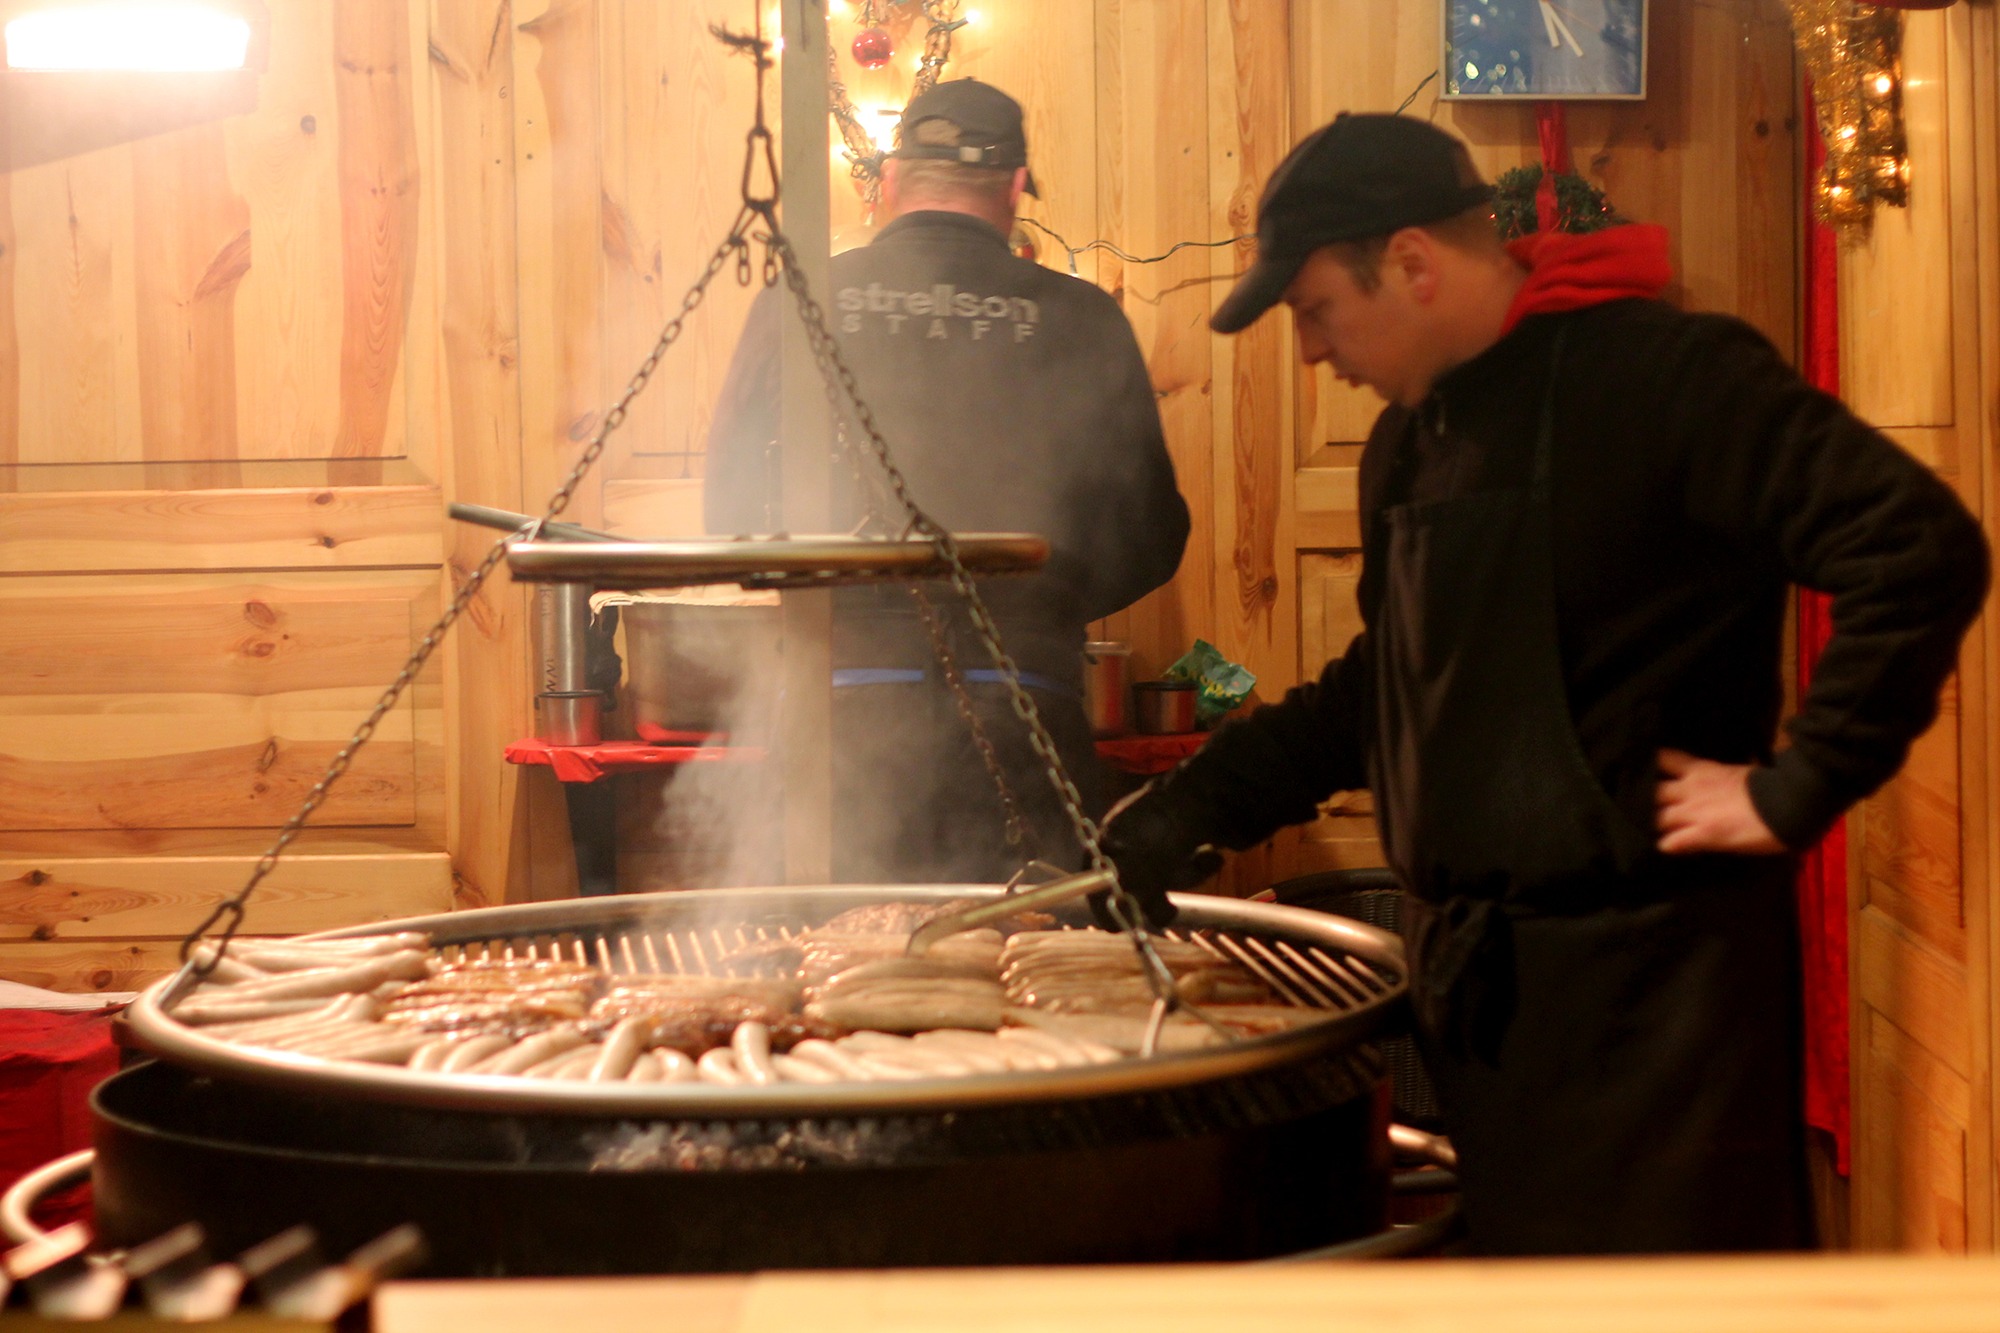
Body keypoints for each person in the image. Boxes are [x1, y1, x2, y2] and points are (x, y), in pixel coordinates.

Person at [1100, 113, 1989, 1254]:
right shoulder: (1406, 445)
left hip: (1658, 1019)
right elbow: (1387, 687)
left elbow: (1912, 543)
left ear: (1412, 263)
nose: (1311, 349)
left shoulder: (1664, 378)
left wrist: (1799, 783)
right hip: (1487, 1009)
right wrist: (1187, 812)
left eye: (1315, 308)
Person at [706, 79, 1189, 884]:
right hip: (1025, 703)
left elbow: (729, 508)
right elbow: (1148, 534)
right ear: (1013, 190)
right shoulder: (1082, 319)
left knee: (829, 972)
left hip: (837, 707)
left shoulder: (803, 300)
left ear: (889, 182)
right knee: (1029, 958)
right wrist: (1042, 595)